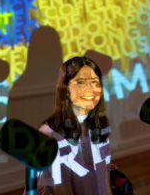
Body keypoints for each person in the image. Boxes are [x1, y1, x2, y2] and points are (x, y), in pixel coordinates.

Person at [37, 56, 112, 195]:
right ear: (65, 88)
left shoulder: (99, 127)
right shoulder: (50, 134)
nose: (90, 89)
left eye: (95, 82)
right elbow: (60, 190)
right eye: (81, 82)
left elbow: (104, 187)